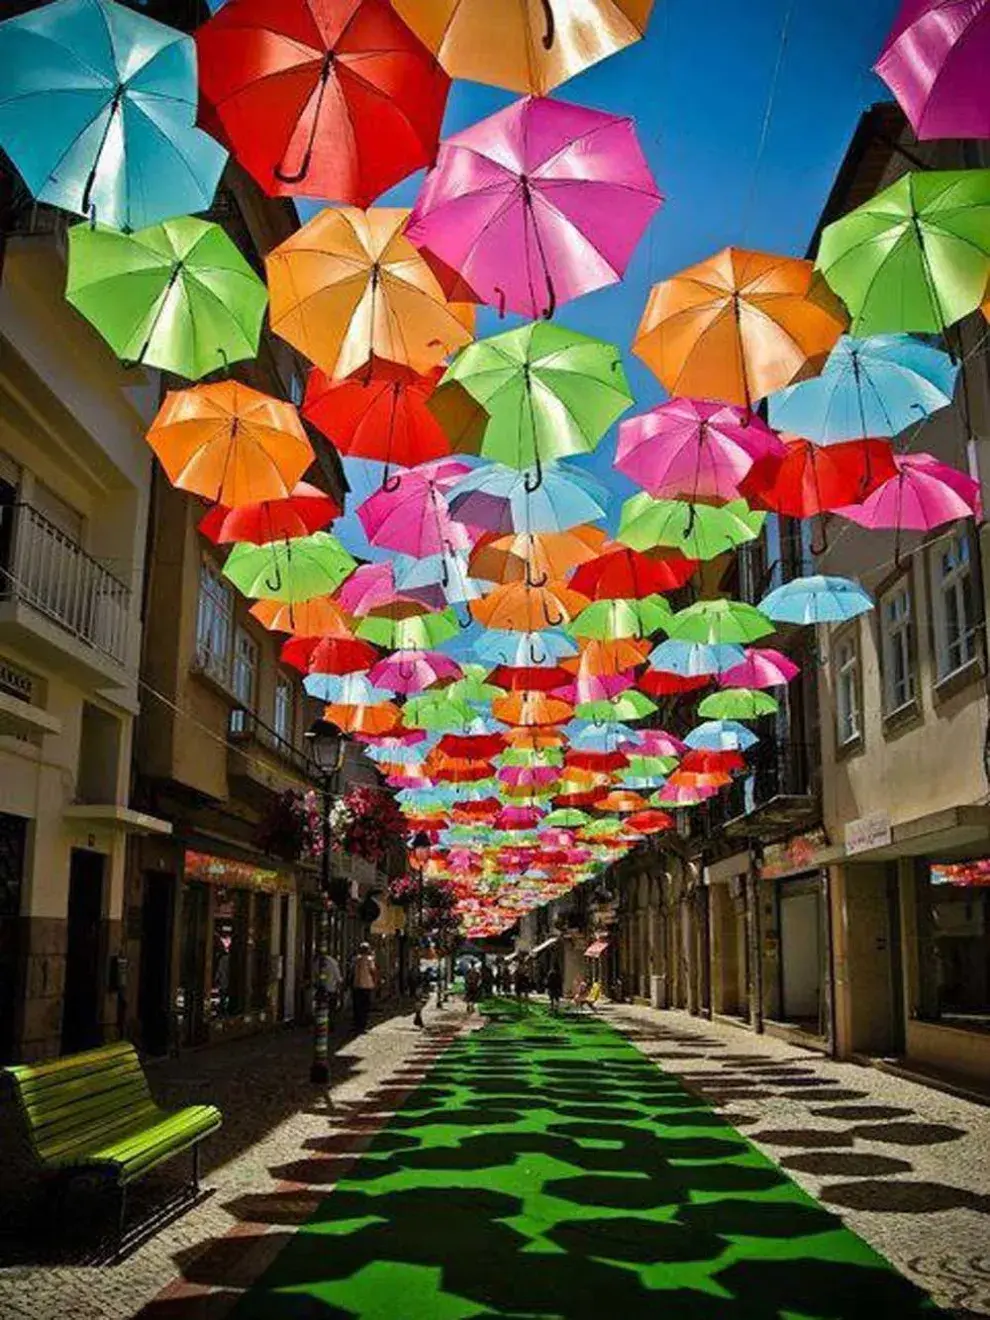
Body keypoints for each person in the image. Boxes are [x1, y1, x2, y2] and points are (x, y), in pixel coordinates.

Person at [351, 942, 378, 1034]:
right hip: (367, 986)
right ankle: (362, 1026)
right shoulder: (370, 960)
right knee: (365, 1007)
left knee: (357, 1007)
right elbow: (373, 972)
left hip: (356, 986)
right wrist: (375, 982)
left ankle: (357, 1025)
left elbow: (351, 971)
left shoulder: (355, 959)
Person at [325, 949, 342, 1027]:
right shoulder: (333, 962)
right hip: (331, 988)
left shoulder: (316, 961)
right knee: (331, 1009)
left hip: (321, 989)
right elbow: (338, 977)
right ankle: (330, 1024)